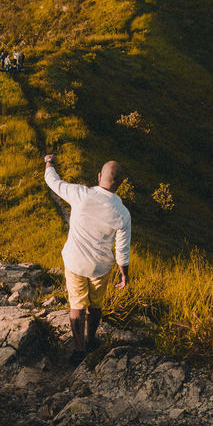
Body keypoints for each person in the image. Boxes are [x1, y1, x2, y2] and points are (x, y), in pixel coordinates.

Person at [43, 153, 130, 356]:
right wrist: (124, 273)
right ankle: (91, 340)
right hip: (100, 267)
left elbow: (53, 182)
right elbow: (122, 249)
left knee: (77, 306)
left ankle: (79, 349)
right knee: (95, 306)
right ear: (120, 183)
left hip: (75, 262)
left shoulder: (81, 193)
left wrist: (49, 163)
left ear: (99, 176)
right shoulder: (123, 213)